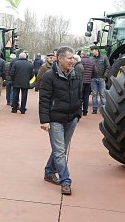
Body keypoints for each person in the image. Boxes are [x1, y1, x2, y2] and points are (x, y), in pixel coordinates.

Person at [39, 46, 82, 196]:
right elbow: (43, 99)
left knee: (60, 149)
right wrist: (44, 120)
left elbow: (79, 95)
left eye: (73, 58)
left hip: (71, 119)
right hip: (55, 119)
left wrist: (78, 114)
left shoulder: (75, 74)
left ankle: (49, 172)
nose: (73, 61)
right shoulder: (49, 76)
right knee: (59, 151)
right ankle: (65, 181)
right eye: (70, 58)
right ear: (60, 58)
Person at [90, 45, 110, 114]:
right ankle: (94, 109)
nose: (92, 52)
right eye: (91, 51)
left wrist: (104, 76)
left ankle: (104, 109)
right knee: (94, 94)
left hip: (101, 78)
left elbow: (108, 67)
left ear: (97, 50)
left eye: (93, 50)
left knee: (102, 94)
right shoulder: (91, 59)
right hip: (93, 79)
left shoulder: (104, 57)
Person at [80, 50, 96, 116]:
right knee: (86, 97)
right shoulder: (92, 61)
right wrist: (90, 77)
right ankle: (85, 111)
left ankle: (79, 111)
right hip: (88, 82)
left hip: (81, 82)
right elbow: (95, 72)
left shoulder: (80, 61)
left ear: (82, 54)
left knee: (79, 97)